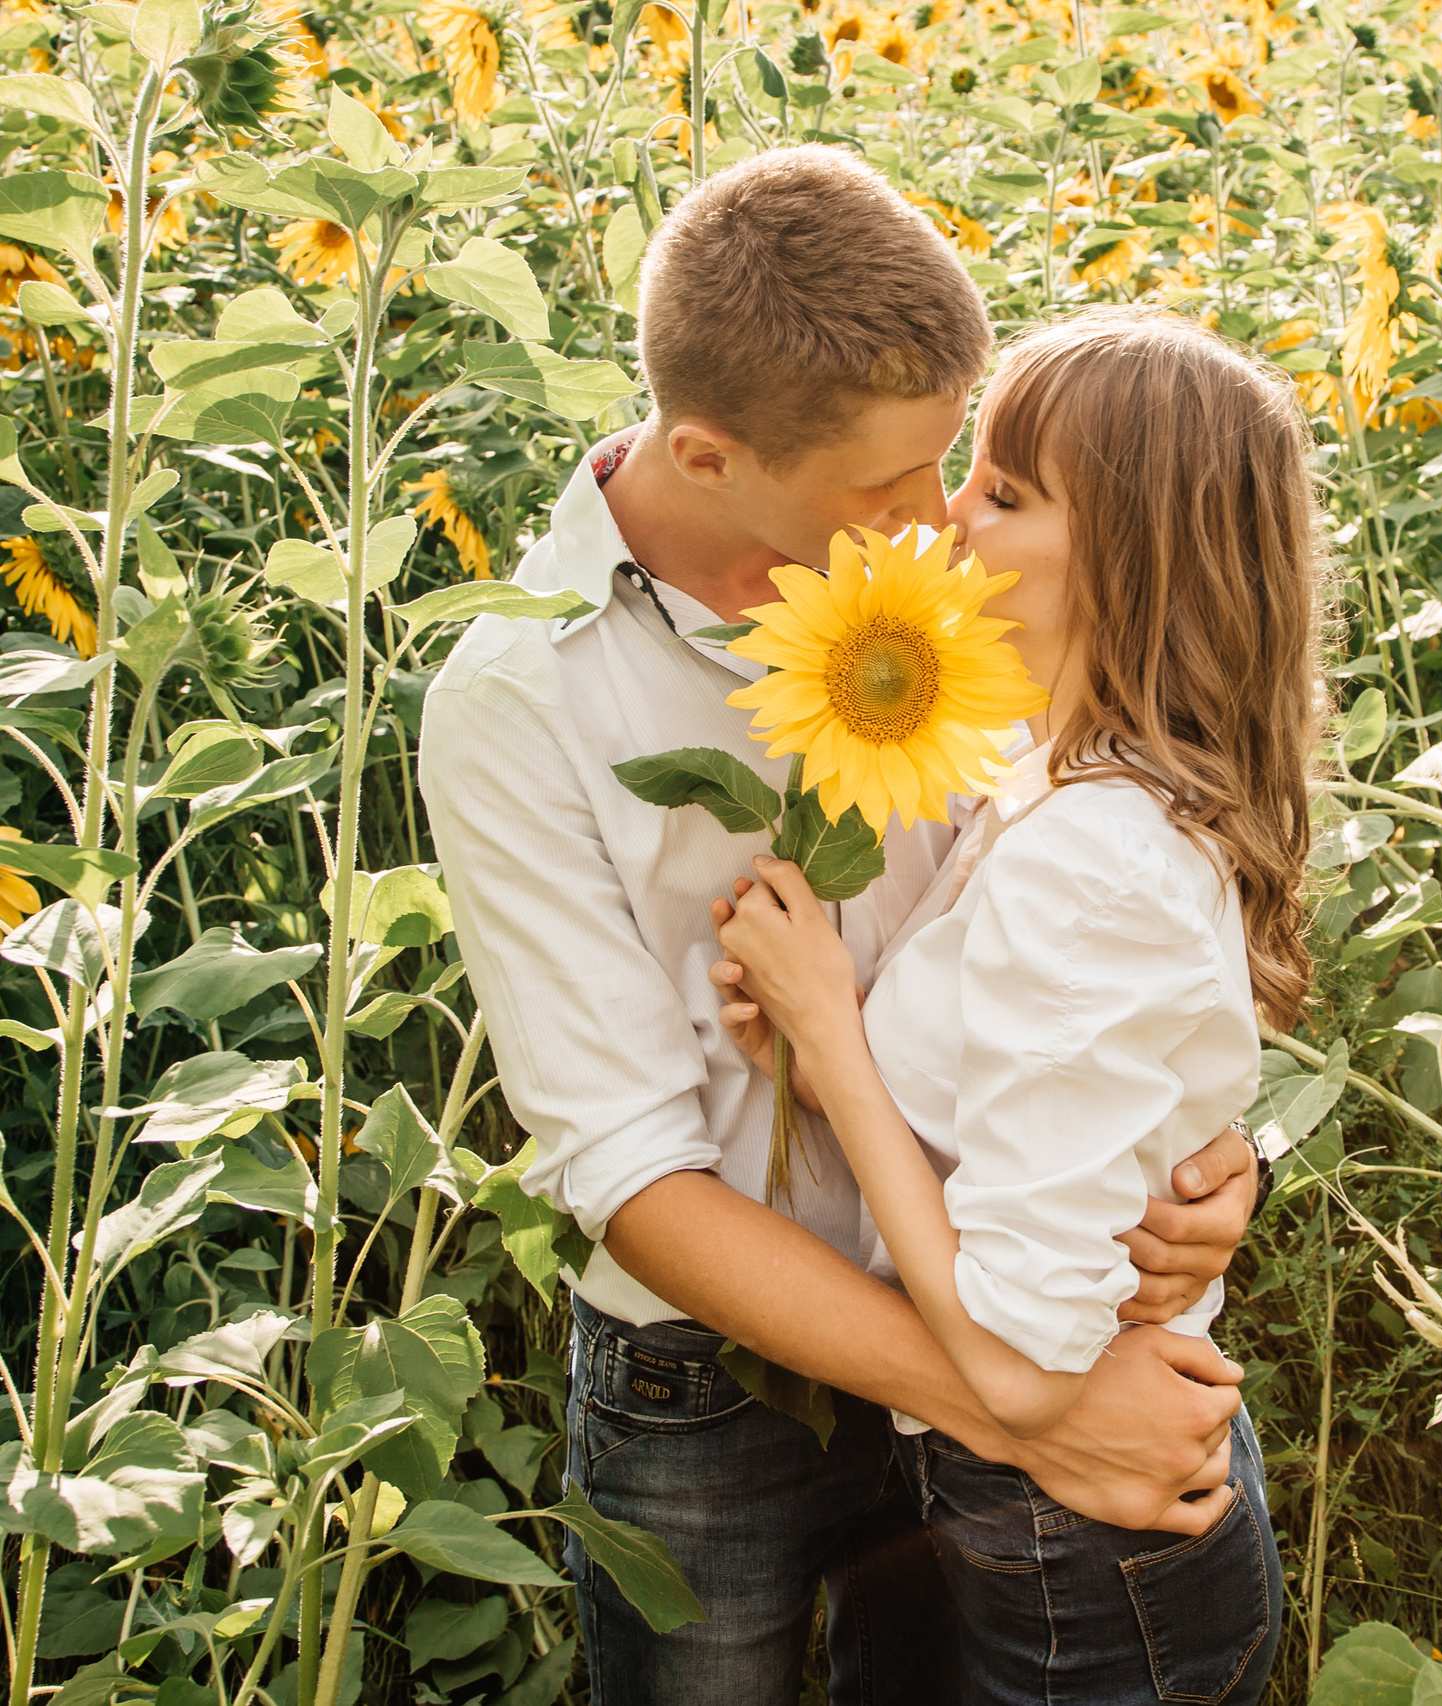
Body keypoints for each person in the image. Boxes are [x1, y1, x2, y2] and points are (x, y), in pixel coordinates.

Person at [417, 150, 1262, 1706]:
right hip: (713, 1391)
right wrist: (1028, 1404)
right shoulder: (524, 701)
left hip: (1008, 1288)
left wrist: (1206, 1162)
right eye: (890, 491)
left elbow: (1101, 912)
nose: (940, 519)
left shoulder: (962, 577)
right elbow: (630, 1168)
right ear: (710, 452)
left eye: (957, 469)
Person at [706, 309, 1324, 1706]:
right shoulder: (1060, 782)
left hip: (1083, 1570)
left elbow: (1024, 1365)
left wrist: (834, 1040)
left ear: (1126, 553)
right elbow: (1032, 1092)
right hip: (1031, 1533)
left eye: (1003, 490)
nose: (949, 514)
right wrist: (821, 1054)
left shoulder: (1092, 856)